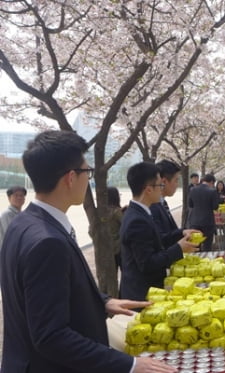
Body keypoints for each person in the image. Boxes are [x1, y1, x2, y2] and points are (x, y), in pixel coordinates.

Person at [0, 130, 175, 373]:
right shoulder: (48, 242)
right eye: (87, 172)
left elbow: (41, 296)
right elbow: (51, 337)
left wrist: (102, 302)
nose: (89, 179)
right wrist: (131, 364)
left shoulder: (23, 223)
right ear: (71, 178)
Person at [120, 162, 199, 301]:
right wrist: (178, 248)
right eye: (159, 185)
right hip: (142, 294)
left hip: (148, 290)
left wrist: (180, 234)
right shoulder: (137, 220)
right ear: (149, 190)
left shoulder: (141, 212)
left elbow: (156, 241)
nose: (161, 189)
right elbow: (148, 263)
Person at [88, 186, 124, 296]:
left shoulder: (98, 213)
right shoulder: (117, 212)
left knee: (108, 278)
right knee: (125, 275)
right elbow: (126, 226)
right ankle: (121, 295)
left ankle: (108, 295)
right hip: (119, 249)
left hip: (104, 251)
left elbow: (91, 231)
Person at [150, 160, 183, 243]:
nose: (177, 185)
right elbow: (160, 238)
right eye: (176, 180)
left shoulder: (162, 203)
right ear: (164, 182)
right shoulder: (152, 206)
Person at [188, 174, 220, 251]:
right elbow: (215, 206)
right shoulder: (212, 191)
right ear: (212, 182)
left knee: (196, 245)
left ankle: (196, 261)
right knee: (207, 245)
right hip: (207, 221)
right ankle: (206, 261)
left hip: (194, 221)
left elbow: (190, 205)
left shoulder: (193, 189)